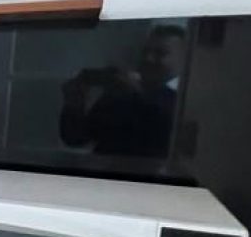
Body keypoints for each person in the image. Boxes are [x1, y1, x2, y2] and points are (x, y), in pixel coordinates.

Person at [59, 25, 187, 157]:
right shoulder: (122, 92)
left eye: (160, 53)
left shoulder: (188, 97)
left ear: (184, 58)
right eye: (145, 52)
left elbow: (167, 134)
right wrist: (74, 103)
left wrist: (137, 93)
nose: (148, 58)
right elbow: (76, 138)